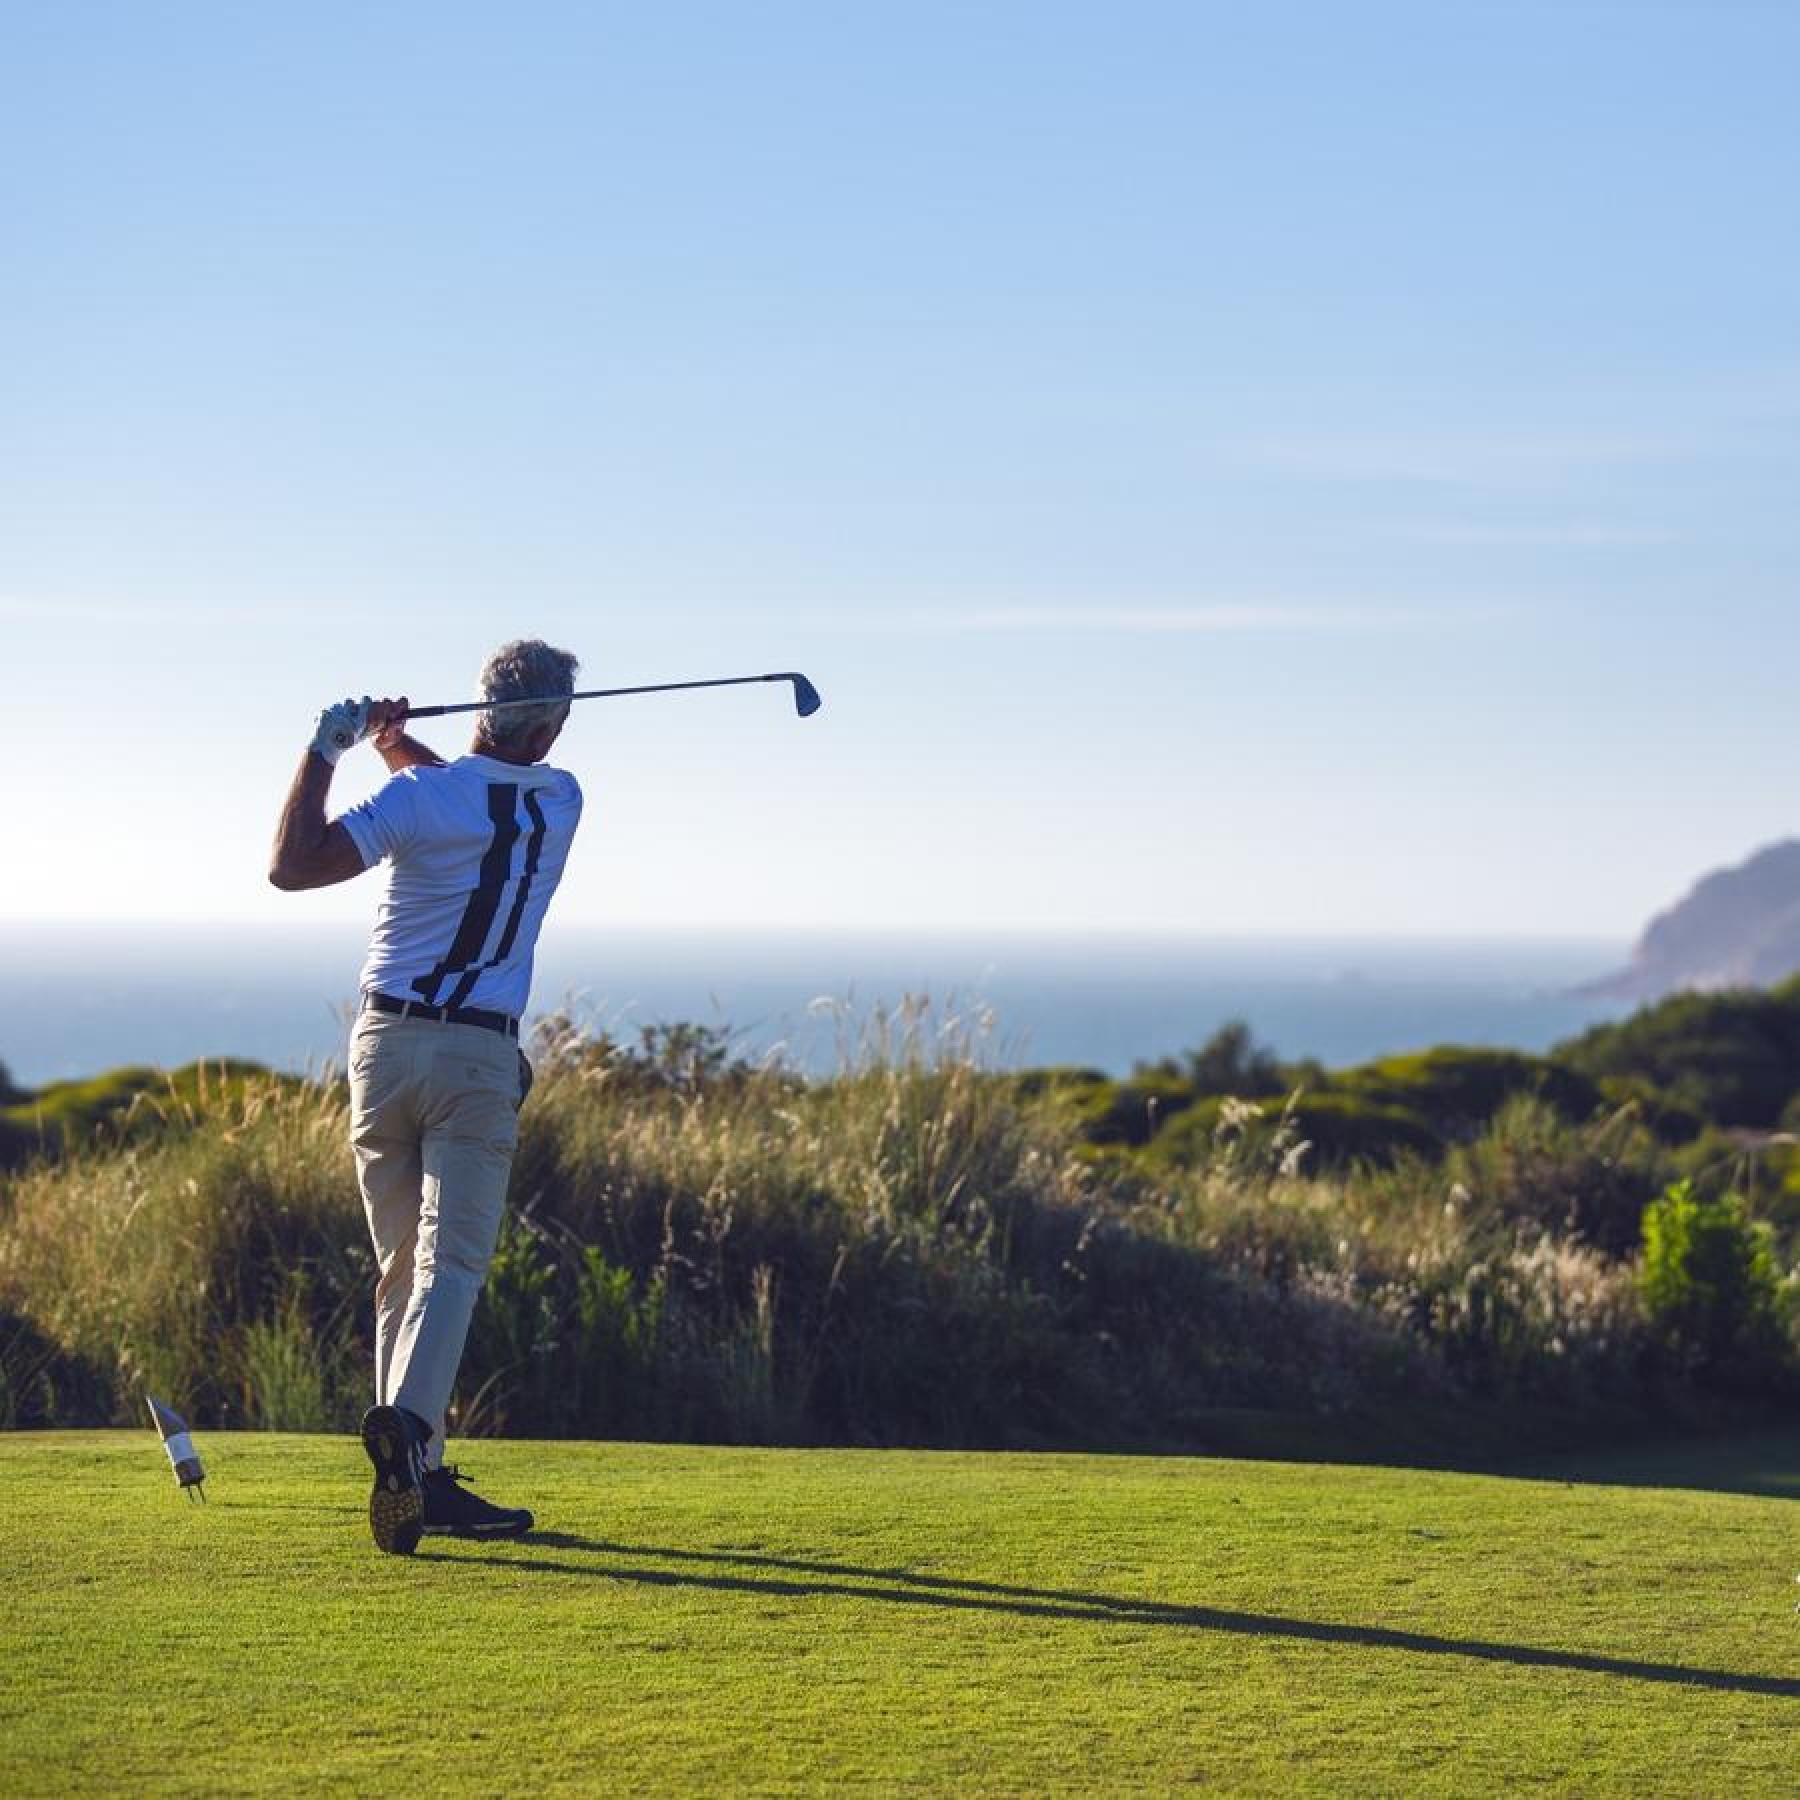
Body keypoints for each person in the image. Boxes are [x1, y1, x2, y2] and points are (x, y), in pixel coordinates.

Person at [268, 639, 583, 1554]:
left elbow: (294, 865)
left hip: (383, 1048)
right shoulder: (561, 799)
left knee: (400, 1269)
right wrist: (393, 743)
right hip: (476, 1059)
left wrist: (332, 749)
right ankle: (408, 1432)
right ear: (555, 723)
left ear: (483, 707)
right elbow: (478, 796)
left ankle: (421, 1477)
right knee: (451, 1264)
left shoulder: (420, 800)